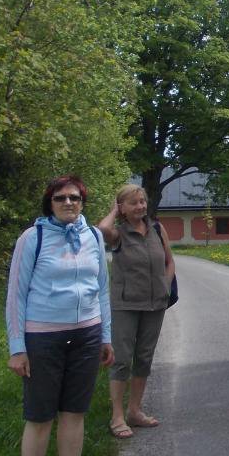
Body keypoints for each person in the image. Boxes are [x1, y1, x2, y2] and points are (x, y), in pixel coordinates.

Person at [6, 175, 114, 456]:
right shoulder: (33, 238)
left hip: (86, 336)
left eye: (75, 198)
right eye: (60, 198)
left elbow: (102, 289)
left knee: (74, 412)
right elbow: (16, 295)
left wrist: (106, 336)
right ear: (49, 203)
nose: (68, 203)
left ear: (82, 202)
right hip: (43, 338)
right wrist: (17, 347)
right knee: (40, 415)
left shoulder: (93, 235)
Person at [97, 183, 176, 439]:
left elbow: (169, 261)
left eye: (142, 201)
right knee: (121, 359)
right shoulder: (118, 234)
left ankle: (135, 411)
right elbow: (102, 229)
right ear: (123, 207)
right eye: (134, 202)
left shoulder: (157, 229)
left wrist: (165, 286)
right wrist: (113, 210)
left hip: (155, 305)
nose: (140, 206)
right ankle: (117, 416)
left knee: (144, 358)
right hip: (126, 305)